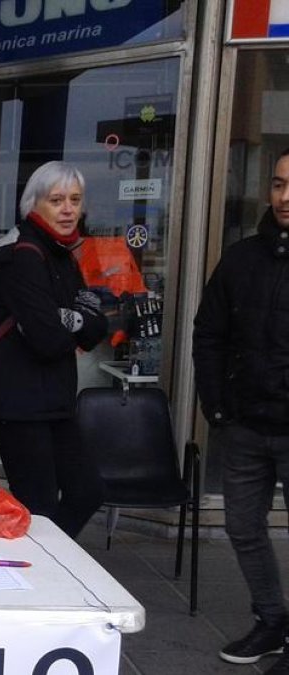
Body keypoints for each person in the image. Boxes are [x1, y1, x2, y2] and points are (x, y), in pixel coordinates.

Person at [0, 160, 106, 539]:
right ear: (33, 204)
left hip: (53, 401)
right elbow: (48, 340)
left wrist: (67, 318)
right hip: (16, 403)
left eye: (75, 200)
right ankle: (39, 575)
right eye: (56, 199)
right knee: (39, 506)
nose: (67, 209)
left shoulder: (61, 254)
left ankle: (49, 562)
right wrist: (73, 318)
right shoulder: (22, 256)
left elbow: (96, 325)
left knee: (86, 491)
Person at [194, 148, 289, 672]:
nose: (285, 196)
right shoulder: (241, 258)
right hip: (246, 425)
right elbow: (209, 334)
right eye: (277, 184)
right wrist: (216, 405)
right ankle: (272, 620)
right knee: (243, 527)